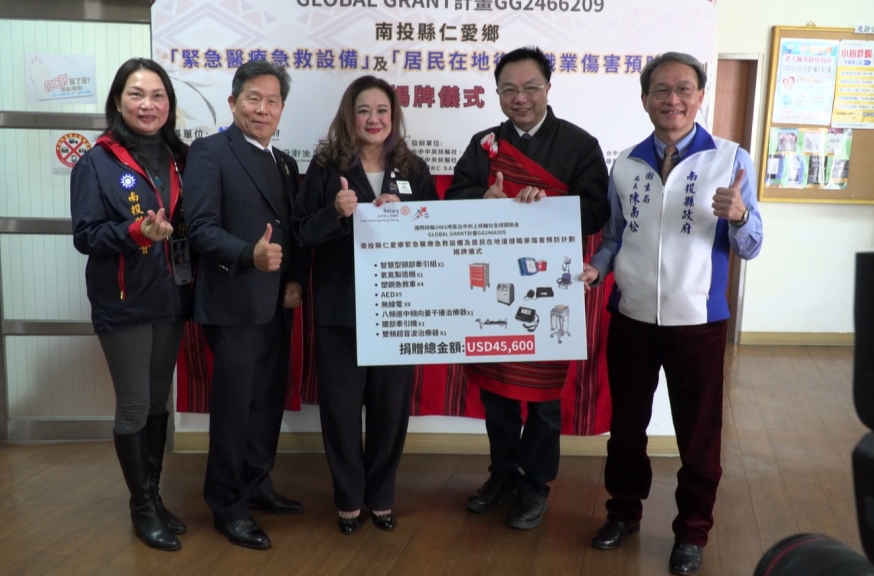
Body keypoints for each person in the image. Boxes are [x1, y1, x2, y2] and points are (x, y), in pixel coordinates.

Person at [581, 52, 763, 575]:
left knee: (698, 435)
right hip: (632, 316)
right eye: (661, 90)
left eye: (684, 89)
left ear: (701, 96)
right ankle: (623, 512)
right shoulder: (626, 163)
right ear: (645, 99)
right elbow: (614, 237)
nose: (673, 99)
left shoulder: (730, 159)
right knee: (627, 428)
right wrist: (597, 269)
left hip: (698, 322)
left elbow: (751, 245)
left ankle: (692, 532)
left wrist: (740, 216)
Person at [445, 46, 609, 530]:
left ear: (548, 89)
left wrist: (548, 204)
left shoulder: (580, 145)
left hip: (549, 286)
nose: (520, 98)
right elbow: (454, 199)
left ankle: (534, 486)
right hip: (493, 286)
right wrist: (485, 197)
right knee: (495, 392)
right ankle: (501, 475)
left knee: (543, 398)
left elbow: (596, 211)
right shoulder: (484, 144)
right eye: (509, 89)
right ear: (497, 93)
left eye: (530, 88)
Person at [292, 75, 438, 535]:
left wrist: (407, 215)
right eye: (363, 110)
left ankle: (381, 496)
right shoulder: (325, 166)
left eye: (382, 110)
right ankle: (349, 498)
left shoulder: (413, 168)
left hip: (399, 310)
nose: (373, 119)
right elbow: (302, 233)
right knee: (340, 409)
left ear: (394, 117)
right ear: (348, 117)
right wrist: (336, 212)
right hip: (341, 309)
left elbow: (437, 237)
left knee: (390, 411)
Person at [182, 60, 308, 550]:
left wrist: (294, 279)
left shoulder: (285, 163)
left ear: (282, 109)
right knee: (235, 409)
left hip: (276, 305)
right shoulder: (209, 152)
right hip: (233, 303)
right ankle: (226, 505)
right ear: (233, 102)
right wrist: (247, 255)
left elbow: (292, 232)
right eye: (253, 98)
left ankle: (257, 484)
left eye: (272, 101)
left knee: (267, 402)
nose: (262, 109)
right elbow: (200, 227)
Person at [70, 58, 191, 551]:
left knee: (158, 402)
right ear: (118, 102)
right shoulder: (96, 162)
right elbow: (86, 235)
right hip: (123, 303)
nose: (148, 104)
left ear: (169, 104)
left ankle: (154, 496)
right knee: (136, 404)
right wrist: (137, 231)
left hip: (172, 296)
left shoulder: (181, 156)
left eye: (158, 95)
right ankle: (141, 507)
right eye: (137, 94)